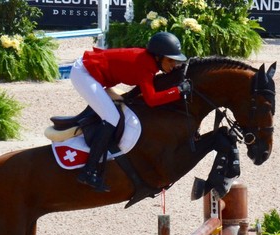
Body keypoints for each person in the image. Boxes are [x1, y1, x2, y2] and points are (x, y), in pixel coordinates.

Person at [70, 31, 192, 192]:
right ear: (157, 57)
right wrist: (177, 91)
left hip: (94, 74)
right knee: (111, 117)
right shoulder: (145, 66)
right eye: (170, 61)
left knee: (114, 111)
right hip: (84, 74)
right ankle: (88, 170)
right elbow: (152, 100)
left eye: (175, 62)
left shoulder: (149, 62)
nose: (173, 65)